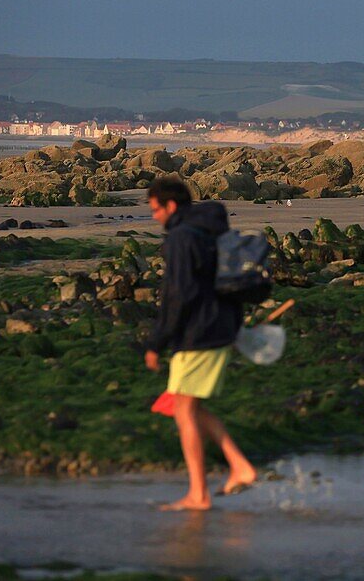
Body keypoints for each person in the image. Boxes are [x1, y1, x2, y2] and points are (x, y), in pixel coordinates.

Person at [144, 176, 257, 511]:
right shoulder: (209, 230)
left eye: (155, 210)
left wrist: (157, 341)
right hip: (219, 327)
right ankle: (240, 466)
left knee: (183, 410)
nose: (154, 217)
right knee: (187, 406)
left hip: (199, 334)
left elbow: (178, 295)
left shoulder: (181, 238)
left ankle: (199, 494)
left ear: (171, 206)